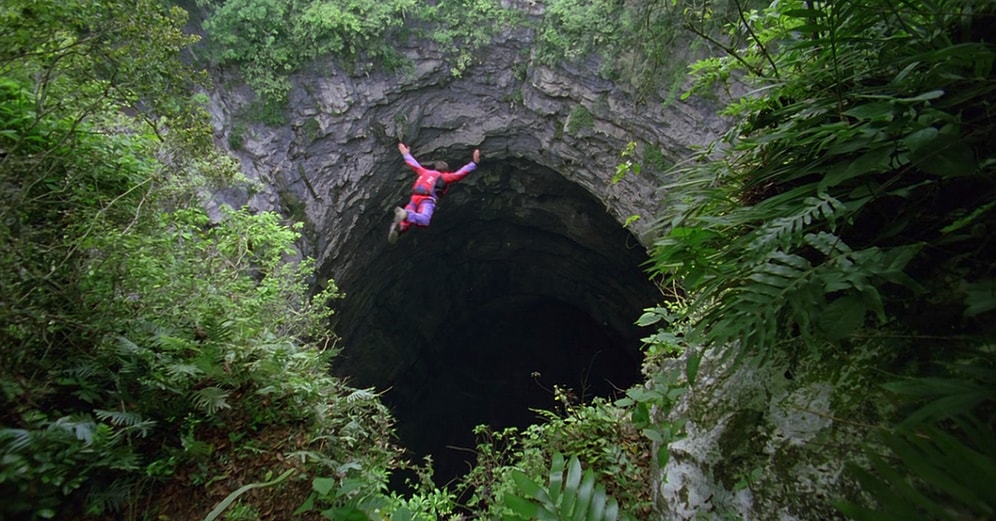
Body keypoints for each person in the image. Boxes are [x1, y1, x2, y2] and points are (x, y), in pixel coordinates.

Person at [388, 143, 481, 244]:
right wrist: (474, 164)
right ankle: (406, 214)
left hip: (414, 198)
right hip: (426, 200)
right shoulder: (443, 176)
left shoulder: (424, 172)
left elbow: (413, 163)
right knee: (424, 220)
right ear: (445, 171)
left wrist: (406, 154)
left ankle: (398, 228)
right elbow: (458, 174)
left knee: (407, 223)